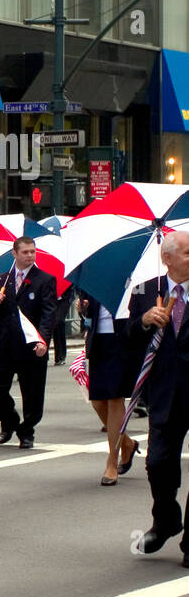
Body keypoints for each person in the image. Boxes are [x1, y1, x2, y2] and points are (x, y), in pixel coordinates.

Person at [126, 231, 189, 564]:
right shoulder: (146, 288)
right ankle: (166, 518)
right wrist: (145, 320)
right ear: (168, 258)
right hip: (163, 390)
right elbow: (128, 336)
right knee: (157, 463)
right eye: (188, 253)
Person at [0, 237, 58, 449]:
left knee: (33, 393)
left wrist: (43, 340)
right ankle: (8, 422)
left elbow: (48, 314)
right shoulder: (2, 280)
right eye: (25, 252)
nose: (30, 256)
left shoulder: (44, 280)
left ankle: (27, 430)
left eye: (32, 252)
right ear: (14, 254)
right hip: (4, 344)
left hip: (31, 346)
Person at [77, 291, 140, 486]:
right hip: (98, 341)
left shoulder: (133, 275)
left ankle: (112, 461)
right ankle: (127, 443)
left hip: (123, 339)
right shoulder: (98, 272)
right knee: (97, 401)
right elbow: (89, 312)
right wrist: (84, 309)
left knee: (115, 398)